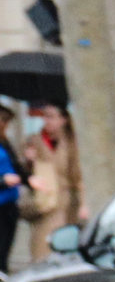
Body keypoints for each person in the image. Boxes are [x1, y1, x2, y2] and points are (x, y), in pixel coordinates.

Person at [25, 102, 78, 248]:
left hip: (67, 201)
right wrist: (29, 161)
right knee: (42, 244)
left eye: (51, 117)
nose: (46, 121)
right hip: (43, 201)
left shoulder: (71, 142)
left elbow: (77, 175)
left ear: (63, 120)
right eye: (44, 117)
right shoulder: (34, 140)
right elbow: (23, 174)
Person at [0, 104, 22, 270]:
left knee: (5, 250)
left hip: (9, 205)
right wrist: (3, 181)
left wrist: (29, 178)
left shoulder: (5, 142)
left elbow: (16, 166)